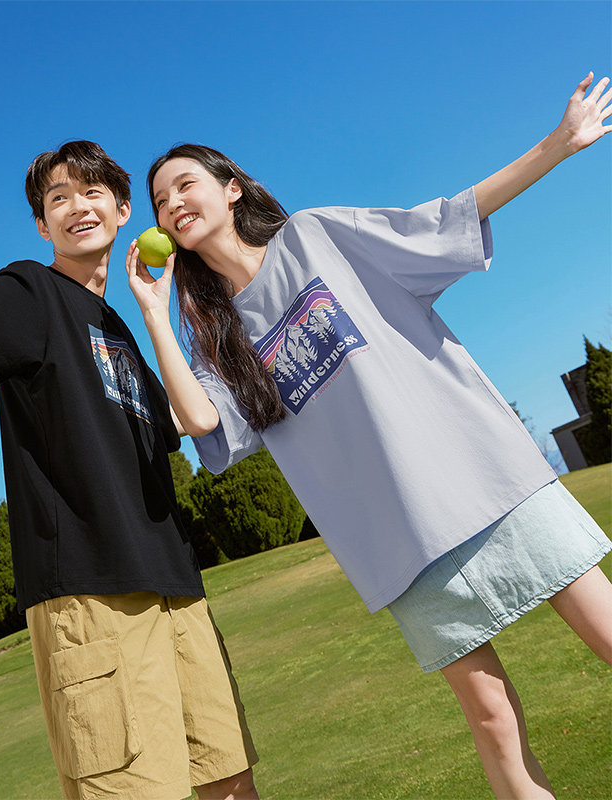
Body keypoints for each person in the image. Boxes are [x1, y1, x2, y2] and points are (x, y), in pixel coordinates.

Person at [126, 74, 612, 798]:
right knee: (492, 720)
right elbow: (201, 421)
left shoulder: (313, 237)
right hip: (396, 541)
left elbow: (441, 222)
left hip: (486, 479)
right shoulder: (218, 340)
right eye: (160, 200)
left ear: (231, 189)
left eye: (184, 184)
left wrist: (559, 144)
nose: (171, 203)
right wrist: (154, 312)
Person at [0, 140, 259, 800]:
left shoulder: (119, 329)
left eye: (92, 192)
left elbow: (192, 420)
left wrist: (157, 311)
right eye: (58, 198)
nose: (76, 206)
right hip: (93, 597)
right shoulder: (33, 291)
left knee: (231, 784)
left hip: (178, 589)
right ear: (42, 225)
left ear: (123, 211)